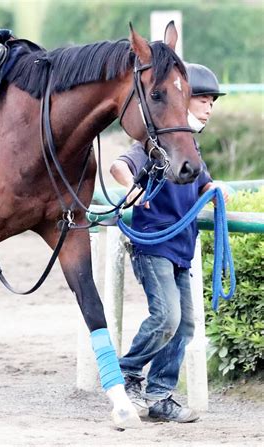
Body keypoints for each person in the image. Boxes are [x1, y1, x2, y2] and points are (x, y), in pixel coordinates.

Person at [110, 63, 229, 423]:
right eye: (204, 100)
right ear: (183, 100)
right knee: (167, 316)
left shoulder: (189, 147)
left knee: (186, 325)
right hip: (154, 244)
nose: (209, 108)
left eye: (212, 102)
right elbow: (119, 166)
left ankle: (160, 394)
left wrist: (215, 190)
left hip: (181, 248)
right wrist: (131, 186)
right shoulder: (156, 143)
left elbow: (204, 183)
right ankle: (125, 372)